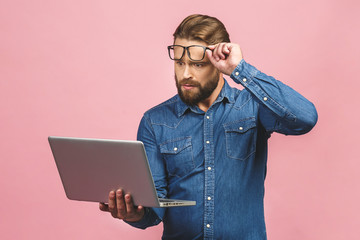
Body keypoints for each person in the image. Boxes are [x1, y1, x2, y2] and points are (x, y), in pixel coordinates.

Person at [99, 14, 318, 239]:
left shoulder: (252, 108)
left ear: (218, 63)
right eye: (179, 62)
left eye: (197, 64)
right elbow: (154, 210)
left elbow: (305, 118)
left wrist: (240, 69)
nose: (185, 74)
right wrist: (133, 214)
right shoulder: (154, 121)